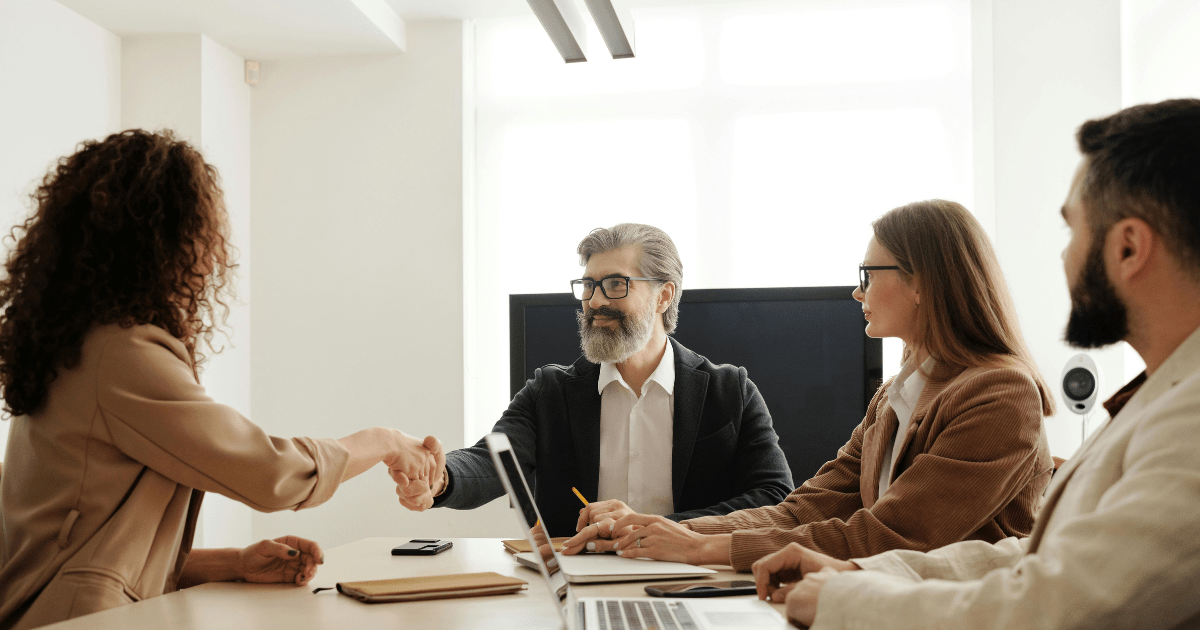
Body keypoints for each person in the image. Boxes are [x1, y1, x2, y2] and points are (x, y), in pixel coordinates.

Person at [751, 99, 1200, 630]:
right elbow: (1035, 553)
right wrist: (858, 571)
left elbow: (1063, 605)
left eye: (1072, 231)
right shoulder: (1166, 394)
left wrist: (846, 600)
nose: (1064, 257)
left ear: (1128, 248)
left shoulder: (1189, 418)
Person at [0, 130, 442, 629]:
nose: (212, 260)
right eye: (201, 235)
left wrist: (232, 563)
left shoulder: (74, 346)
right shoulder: (119, 355)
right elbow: (270, 472)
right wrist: (383, 441)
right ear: (157, 240)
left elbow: (85, 545)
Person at [564, 201, 1056, 573]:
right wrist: (667, 531)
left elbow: (890, 536)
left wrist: (703, 548)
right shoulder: (894, 397)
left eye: (868, 275)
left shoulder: (1001, 394)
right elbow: (804, 510)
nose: (857, 291)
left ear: (922, 283)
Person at [396, 223, 794, 536]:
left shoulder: (731, 391)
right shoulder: (550, 392)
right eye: (588, 285)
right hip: (580, 578)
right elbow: (492, 462)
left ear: (664, 296)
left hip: (693, 577)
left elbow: (775, 497)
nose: (595, 301)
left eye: (616, 284)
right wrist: (440, 477)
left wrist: (658, 527)